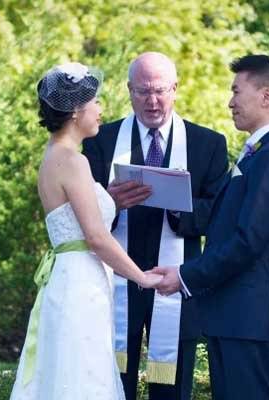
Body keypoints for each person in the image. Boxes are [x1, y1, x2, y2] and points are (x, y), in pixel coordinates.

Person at [9, 62, 162, 400]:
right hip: (80, 282)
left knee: (70, 368)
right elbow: (95, 236)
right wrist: (142, 276)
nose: (100, 109)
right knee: (84, 372)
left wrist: (109, 200)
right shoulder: (74, 161)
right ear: (76, 111)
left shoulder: (53, 156)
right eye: (96, 102)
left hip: (69, 278)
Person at [153, 54, 269, 399]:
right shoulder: (257, 153)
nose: (230, 102)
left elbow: (248, 241)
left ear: (266, 96)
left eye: (237, 91)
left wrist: (185, 276)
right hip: (231, 313)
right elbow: (223, 221)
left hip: (246, 315)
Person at [82, 52, 228, 400]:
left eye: (160, 90)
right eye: (143, 91)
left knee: (173, 392)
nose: (152, 101)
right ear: (129, 90)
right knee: (113, 388)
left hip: (176, 281)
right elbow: (83, 216)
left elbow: (219, 214)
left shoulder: (207, 144)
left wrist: (179, 210)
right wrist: (111, 203)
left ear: (175, 88)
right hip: (115, 283)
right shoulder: (101, 141)